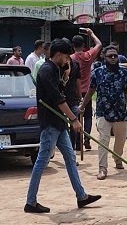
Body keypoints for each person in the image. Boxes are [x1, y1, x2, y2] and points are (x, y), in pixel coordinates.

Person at [25, 39, 101, 213]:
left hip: (59, 124)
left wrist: (65, 77)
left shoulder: (55, 70)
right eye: (66, 57)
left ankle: (81, 196)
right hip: (51, 123)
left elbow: (59, 91)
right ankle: (30, 202)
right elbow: (58, 99)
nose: (68, 61)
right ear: (58, 55)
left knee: (70, 158)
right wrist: (74, 119)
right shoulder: (46, 70)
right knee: (42, 161)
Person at [80, 45, 127, 180]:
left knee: (120, 140)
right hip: (103, 112)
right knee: (103, 140)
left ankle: (117, 158)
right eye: (110, 56)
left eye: (115, 56)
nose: (113, 58)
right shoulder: (97, 73)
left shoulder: (124, 72)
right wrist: (82, 106)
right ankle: (102, 168)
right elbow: (91, 90)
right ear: (104, 57)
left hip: (120, 113)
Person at [71, 28, 103, 149]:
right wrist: (91, 34)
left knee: (75, 117)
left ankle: (77, 141)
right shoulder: (88, 55)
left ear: (73, 45)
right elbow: (99, 44)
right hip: (88, 90)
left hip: (74, 91)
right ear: (83, 45)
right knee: (88, 115)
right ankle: (87, 138)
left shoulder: (70, 58)